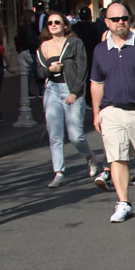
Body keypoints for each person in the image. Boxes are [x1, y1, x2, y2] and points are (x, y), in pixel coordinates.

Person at [90, 1, 135, 223]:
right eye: (115, 19)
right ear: (107, 23)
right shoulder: (100, 50)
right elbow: (96, 83)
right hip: (111, 110)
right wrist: (96, 112)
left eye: (124, 18)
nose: (121, 23)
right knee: (117, 157)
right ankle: (124, 203)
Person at [35, 11, 97, 187]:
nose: (53, 25)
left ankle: (89, 155)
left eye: (57, 22)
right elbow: (39, 72)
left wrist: (76, 91)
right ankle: (59, 172)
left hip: (71, 90)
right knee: (55, 134)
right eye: (50, 23)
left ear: (65, 25)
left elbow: (82, 67)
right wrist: (50, 70)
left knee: (75, 135)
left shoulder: (74, 43)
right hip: (51, 90)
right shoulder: (43, 47)